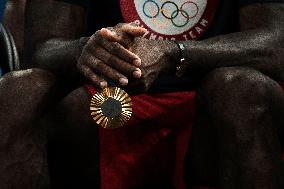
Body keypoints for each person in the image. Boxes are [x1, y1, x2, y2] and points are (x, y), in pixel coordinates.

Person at [19, 0, 284, 188]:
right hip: (108, 105)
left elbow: (275, 45)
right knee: (22, 91)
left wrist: (175, 53)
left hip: (207, 114)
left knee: (241, 90)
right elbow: (41, 49)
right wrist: (87, 50)